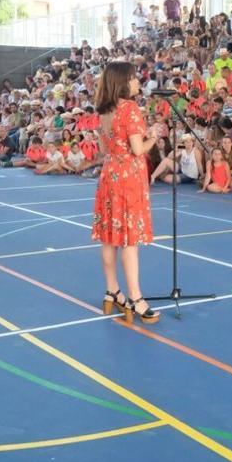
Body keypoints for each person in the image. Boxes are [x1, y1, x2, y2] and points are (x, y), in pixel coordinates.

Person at [92, 60, 159, 324]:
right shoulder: (130, 109)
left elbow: (104, 149)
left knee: (109, 237)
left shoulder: (104, 111)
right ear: (122, 81)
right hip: (128, 177)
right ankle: (136, 298)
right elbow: (138, 149)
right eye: (133, 78)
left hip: (110, 175)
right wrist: (153, 135)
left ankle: (112, 290)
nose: (137, 82)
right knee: (129, 240)